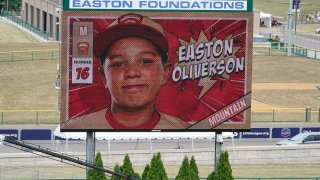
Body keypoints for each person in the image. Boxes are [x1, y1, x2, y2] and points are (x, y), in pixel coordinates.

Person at [63, 13, 190, 130]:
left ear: (166, 72)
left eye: (145, 61)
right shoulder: (77, 127)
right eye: (118, 64)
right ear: (103, 76)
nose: (132, 72)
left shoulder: (183, 129)